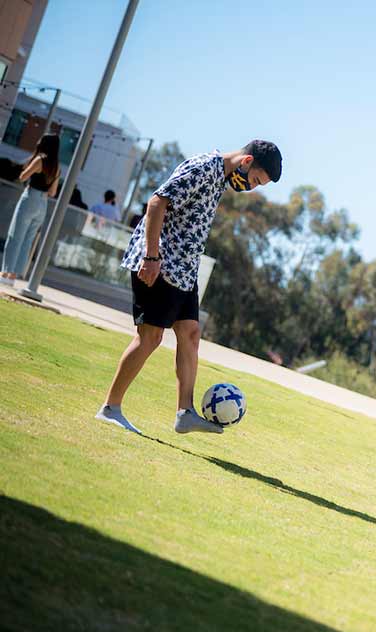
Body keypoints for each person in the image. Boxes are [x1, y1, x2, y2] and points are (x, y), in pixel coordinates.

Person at [94, 140, 282, 435]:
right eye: (255, 180)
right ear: (246, 161)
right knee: (150, 337)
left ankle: (185, 412)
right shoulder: (205, 168)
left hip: (184, 271)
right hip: (161, 264)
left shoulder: (220, 178)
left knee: (190, 333)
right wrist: (151, 256)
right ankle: (110, 407)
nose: (251, 188)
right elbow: (157, 202)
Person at [1, 134, 60, 286]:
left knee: (15, 236)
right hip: (43, 204)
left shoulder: (40, 159)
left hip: (30, 197)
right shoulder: (57, 167)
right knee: (27, 240)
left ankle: (5, 273)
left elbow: (22, 177)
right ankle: (13, 276)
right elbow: (53, 192)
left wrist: (27, 167)